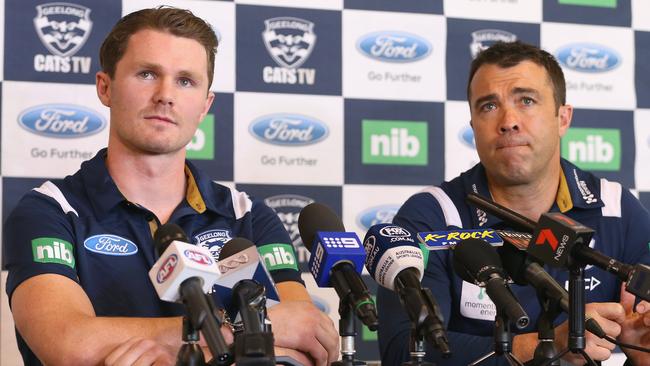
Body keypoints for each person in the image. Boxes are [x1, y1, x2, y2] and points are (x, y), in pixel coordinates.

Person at [4, 7, 338, 366]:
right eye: (147, 74)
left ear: (205, 105)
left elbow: (304, 343)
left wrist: (153, 348)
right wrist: (244, 332)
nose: (165, 94)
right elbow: (70, 345)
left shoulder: (248, 216)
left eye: (185, 81)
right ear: (105, 87)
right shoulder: (50, 210)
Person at [377, 41, 650, 365]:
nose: (508, 120)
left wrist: (641, 352)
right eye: (488, 106)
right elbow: (404, 351)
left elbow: (641, 340)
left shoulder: (617, 209)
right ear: (473, 126)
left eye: (527, 100)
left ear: (563, 118)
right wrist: (548, 346)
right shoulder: (432, 215)